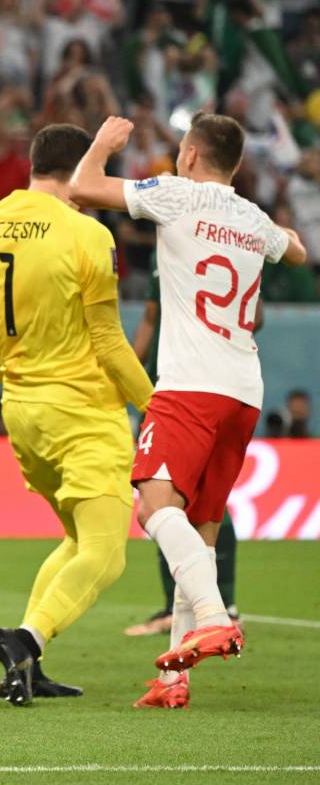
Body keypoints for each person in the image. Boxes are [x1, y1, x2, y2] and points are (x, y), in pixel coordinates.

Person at [70, 112, 307, 708]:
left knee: (153, 506)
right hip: (243, 391)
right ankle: (174, 681)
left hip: (189, 386)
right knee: (199, 532)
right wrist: (271, 233)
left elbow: (83, 188)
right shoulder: (253, 217)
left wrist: (102, 144)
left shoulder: (177, 194)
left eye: (181, 148)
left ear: (193, 155)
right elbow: (299, 251)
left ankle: (214, 616)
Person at [0, 124, 153, 707]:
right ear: (82, 172)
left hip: (21, 410)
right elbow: (110, 341)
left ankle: (29, 665)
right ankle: (25, 640)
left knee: (75, 537)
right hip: (83, 412)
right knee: (106, 552)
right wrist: (157, 407)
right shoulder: (86, 233)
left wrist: (22, 381)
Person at [123, 252, 244, 639]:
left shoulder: (176, 239)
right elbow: (254, 316)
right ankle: (207, 615)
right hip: (230, 384)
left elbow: (151, 317)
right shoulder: (236, 239)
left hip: (182, 386)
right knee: (201, 502)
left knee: (161, 502)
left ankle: (213, 610)